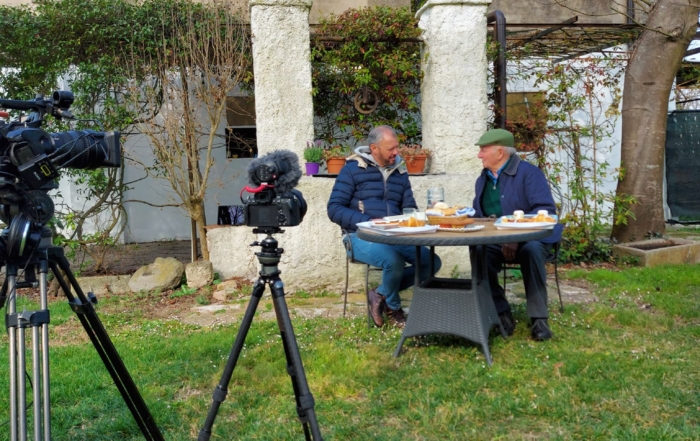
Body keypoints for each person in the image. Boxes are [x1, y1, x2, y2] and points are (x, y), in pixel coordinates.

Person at [327, 126, 441, 328]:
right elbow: (334, 209)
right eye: (391, 149)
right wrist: (367, 222)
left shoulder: (400, 171)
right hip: (358, 236)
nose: (396, 152)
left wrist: (421, 216)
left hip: (395, 236)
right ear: (374, 148)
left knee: (431, 262)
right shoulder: (352, 170)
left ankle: (380, 293)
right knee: (393, 261)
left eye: (397, 147)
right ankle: (394, 308)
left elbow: (408, 207)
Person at [471, 128, 562, 341]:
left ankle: (539, 319)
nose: (479, 155)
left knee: (531, 251)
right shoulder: (482, 179)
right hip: (496, 239)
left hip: (531, 238)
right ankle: (500, 312)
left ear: (500, 152)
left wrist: (515, 236)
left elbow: (545, 211)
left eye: (483, 150)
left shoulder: (529, 174)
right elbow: (479, 214)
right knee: (478, 249)